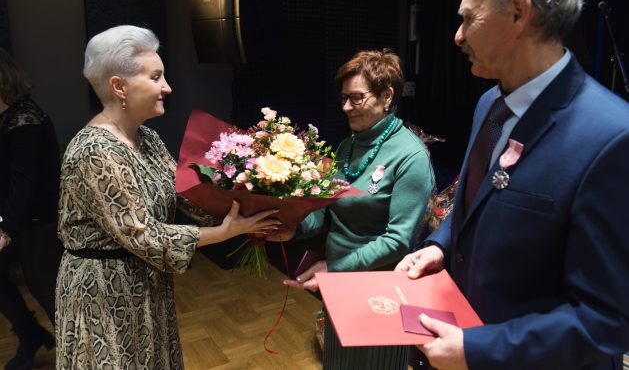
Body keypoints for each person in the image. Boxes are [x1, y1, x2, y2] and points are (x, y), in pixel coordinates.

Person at [395, 0, 629, 369]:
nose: (458, 36)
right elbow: (478, 204)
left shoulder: (614, 136)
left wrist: (477, 351)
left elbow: (606, 320)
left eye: (469, 18)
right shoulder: (488, 103)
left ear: (519, 13)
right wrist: (442, 246)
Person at [55, 25, 281, 369]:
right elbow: (143, 234)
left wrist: (252, 202)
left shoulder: (148, 139)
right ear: (120, 87)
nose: (167, 87)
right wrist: (225, 233)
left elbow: (186, 198)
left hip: (144, 283)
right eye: (156, 77)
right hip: (103, 290)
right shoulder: (94, 151)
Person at [269, 49, 435, 369]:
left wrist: (336, 270)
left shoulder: (411, 156)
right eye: (344, 98)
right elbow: (326, 210)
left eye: (356, 98)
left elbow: (398, 241)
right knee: (340, 361)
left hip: (379, 289)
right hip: (341, 281)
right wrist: (294, 228)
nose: (346, 107)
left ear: (387, 96)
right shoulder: (348, 146)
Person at [0, 47, 62, 370]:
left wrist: (5, 231)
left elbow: (24, 185)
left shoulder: (25, 120)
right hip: (16, 216)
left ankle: (83, 351)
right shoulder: (6, 117)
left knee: (46, 289)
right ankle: (30, 334)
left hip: (40, 219)